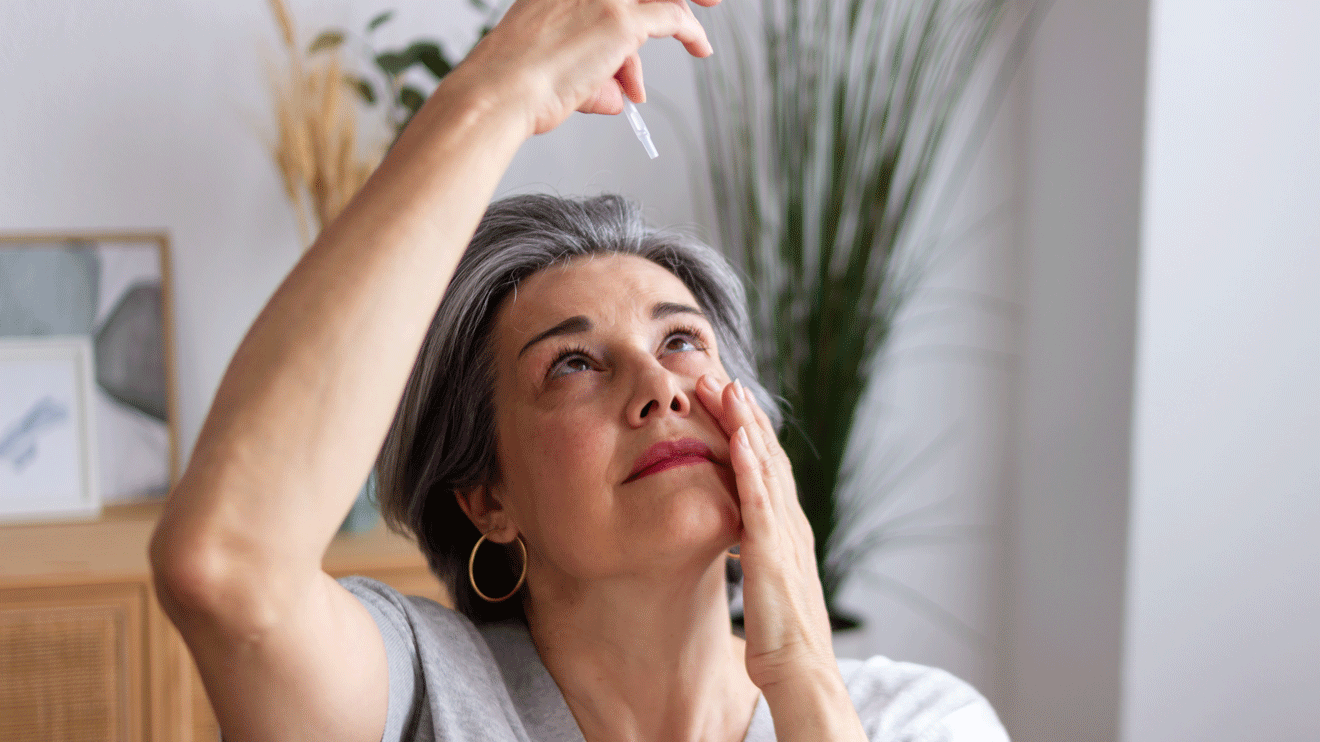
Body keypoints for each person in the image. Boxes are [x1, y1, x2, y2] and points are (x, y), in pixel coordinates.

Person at [149, 0, 1009, 740]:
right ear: (488, 497)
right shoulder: (420, 697)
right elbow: (225, 565)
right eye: (572, 363)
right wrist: (496, 91)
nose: (658, 387)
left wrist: (805, 682)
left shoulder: (920, 720)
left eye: (681, 341)